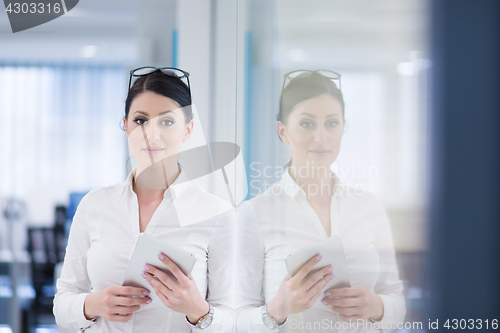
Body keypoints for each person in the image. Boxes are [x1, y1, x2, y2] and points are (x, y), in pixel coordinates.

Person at [53, 68, 235, 332]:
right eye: (140, 120)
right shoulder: (95, 205)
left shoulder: (217, 214)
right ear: (125, 126)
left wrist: (197, 311)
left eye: (167, 121)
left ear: (188, 130)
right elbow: (63, 301)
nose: (152, 133)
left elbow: (232, 319)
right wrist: (90, 305)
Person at [235, 70, 405, 332]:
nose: (321, 137)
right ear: (283, 131)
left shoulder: (368, 206)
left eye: (332, 123)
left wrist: (376, 306)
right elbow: (237, 320)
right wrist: (278, 308)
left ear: (343, 127)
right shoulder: (255, 214)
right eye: (306, 123)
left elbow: (396, 299)